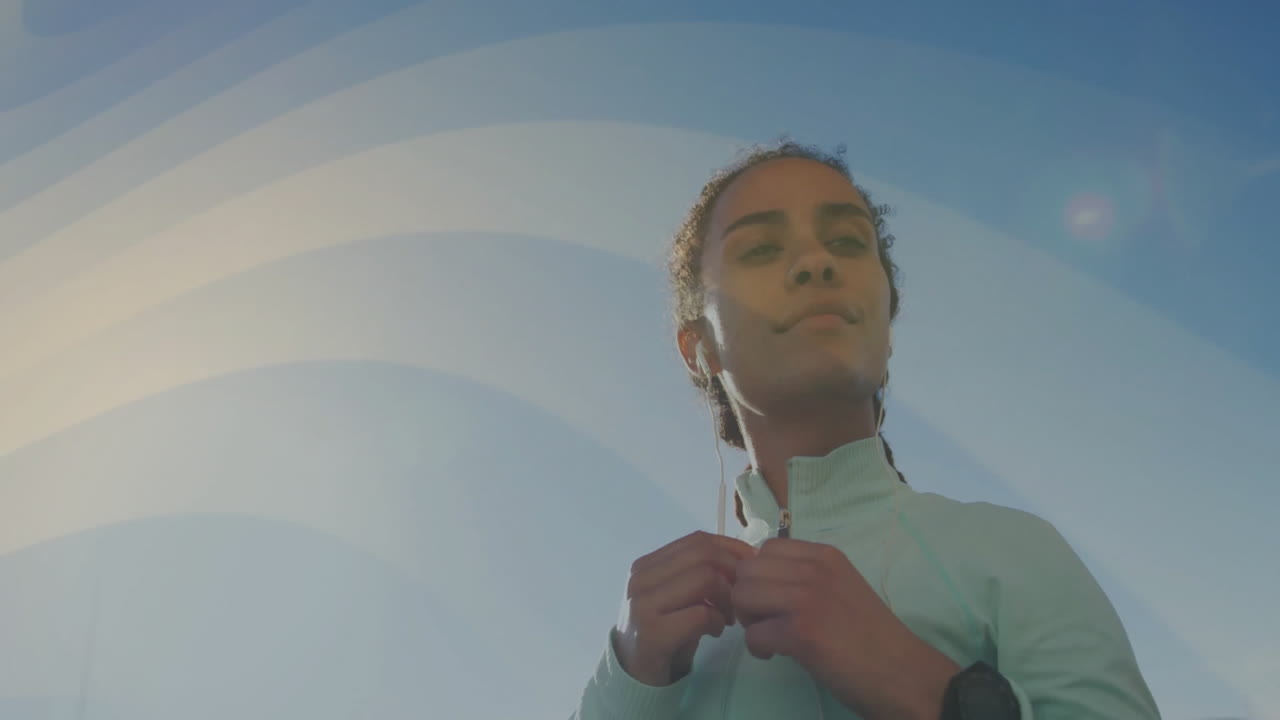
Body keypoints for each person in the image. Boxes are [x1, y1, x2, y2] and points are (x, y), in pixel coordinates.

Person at [572, 139, 1162, 719]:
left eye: (848, 242)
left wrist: (932, 692)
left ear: (886, 330)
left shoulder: (1011, 551)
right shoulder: (656, 638)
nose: (816, 262)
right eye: (759, 250)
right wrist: (624, 688)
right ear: (699, 349)